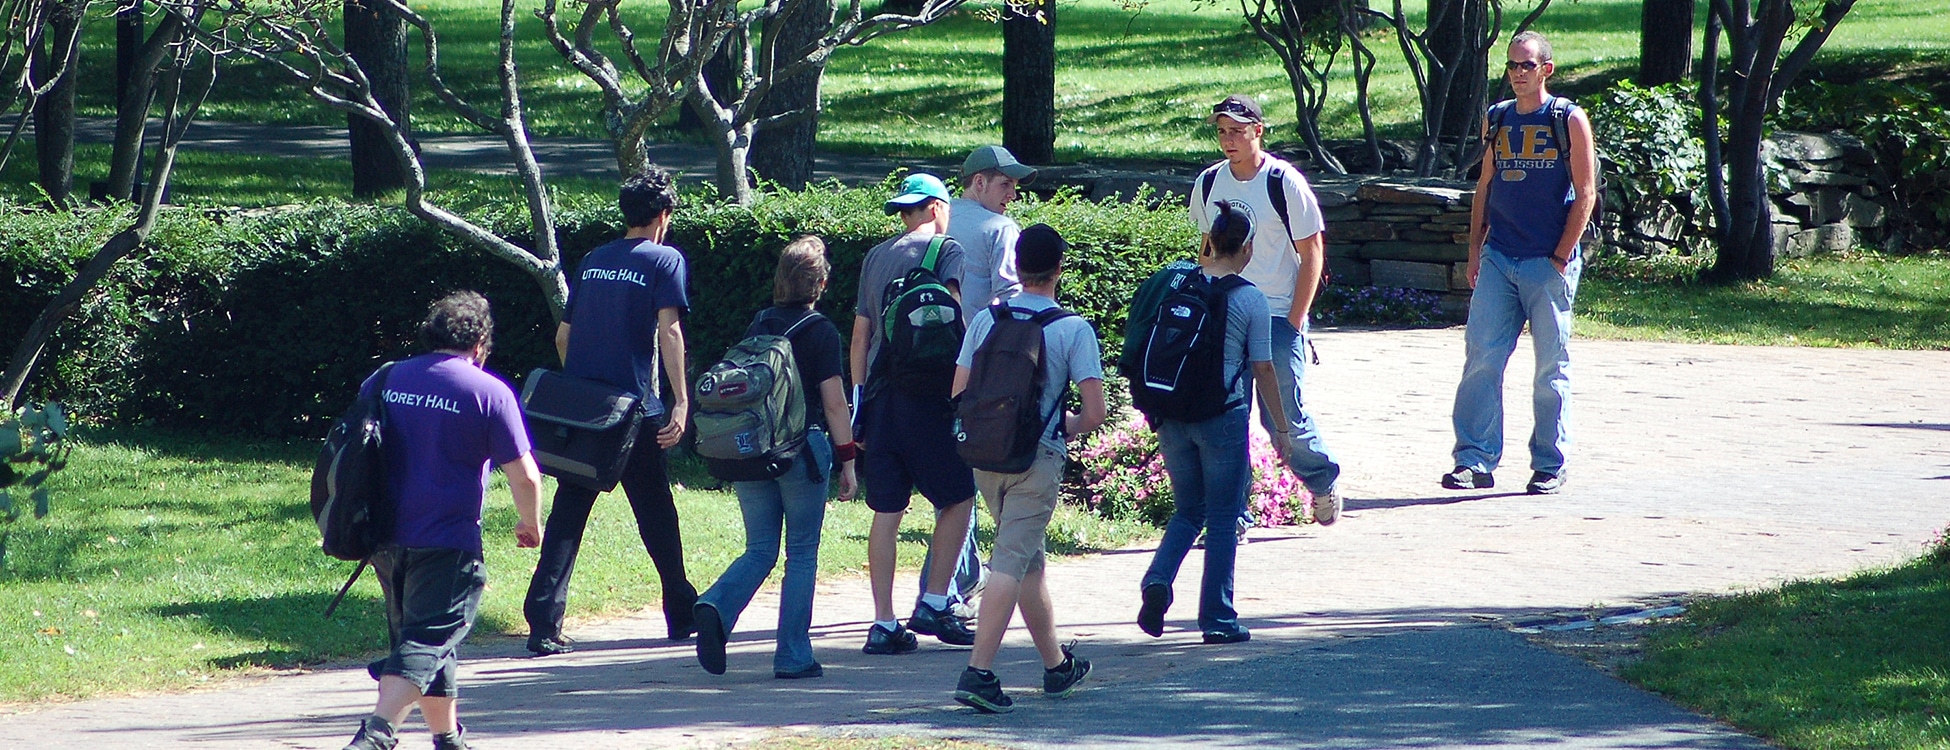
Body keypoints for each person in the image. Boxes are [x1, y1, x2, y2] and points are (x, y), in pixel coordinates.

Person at [340, 292, 544, 750]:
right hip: (447, 540)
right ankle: (376, 734)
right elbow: (526, 476)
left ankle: (447, 738)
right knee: (427, 641)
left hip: (384, 537)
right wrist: (530, 524)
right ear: (480, 345)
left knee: (427, 642)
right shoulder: (488, 391)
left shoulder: (385, 378)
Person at [523, 168, 699, 656]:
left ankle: (542, 621)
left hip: (589, 413)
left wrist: (581, 387)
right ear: (664, 215)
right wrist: (682, 402)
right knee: (656, 513)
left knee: (568, 513)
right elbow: (670, 332)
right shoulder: (666, 260)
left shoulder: (594, 259)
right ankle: (681, 613)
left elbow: (564, 336)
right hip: (636, 410)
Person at [949, 223, 1106, 714]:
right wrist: (1065, 427)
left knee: (1027, 559)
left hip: (985, 458)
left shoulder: (985, 320)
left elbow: (958, 393)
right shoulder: (1072, 328)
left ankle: (1057, 666)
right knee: (1010, 563)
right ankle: (979, 673)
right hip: (1036, 460)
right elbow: (1095, 411)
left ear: (1016, 266)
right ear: (1060, 267)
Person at [693, 236, 858, 680]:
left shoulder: (759, 323)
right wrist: (848, 460)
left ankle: (715, 604)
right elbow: (835, 403)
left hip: (752, 450)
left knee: (760, 548)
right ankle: (792, 655)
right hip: (800, 454)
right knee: (801, 553)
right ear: (820, 282)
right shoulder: (820, 330)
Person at [1443, 30, 1596, 496]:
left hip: (1546, 263)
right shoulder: (1499, 118)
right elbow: (1484, 187)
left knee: (1550, 368)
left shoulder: (1567, 118)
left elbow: (1586, 192)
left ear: (1546, 69)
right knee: (1481, 360)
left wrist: (1559, 257)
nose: (1516, 74)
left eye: (1525, 65)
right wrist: (1475, 251)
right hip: (1499, 258)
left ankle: (1550, 462)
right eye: (1511, 65)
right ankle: (1473, 460)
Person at [1134, 203, 1288, 646]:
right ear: (1248, 248)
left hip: (1171, 414)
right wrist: (1280, 427)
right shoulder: (1249, 297)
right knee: (1222, 515)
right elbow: (1263, 368)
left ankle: (1158, 580)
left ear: (1209, 243)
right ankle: (1217, 618)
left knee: (1188, 509)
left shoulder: (1177, 284)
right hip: (1221, 416)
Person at [1189, 93, 1344, 526]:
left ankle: (1320, 479)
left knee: (1283, 418)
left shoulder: (1283, 181)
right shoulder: (1208, 183)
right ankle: (1232, 516)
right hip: (1226, 315)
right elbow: (1206, 250)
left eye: (1237, 131)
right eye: (1221, 132)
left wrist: (1295, 321)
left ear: (1258, 131)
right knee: (1226, 420)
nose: (1228, 140)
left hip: (1277, 313)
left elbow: (1312, 253)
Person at [852, 173, 980, 654]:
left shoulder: (876, 256)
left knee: (887, 510)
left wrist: (859, 401)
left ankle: (883, 624)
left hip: (882, 396)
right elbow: (951, 318)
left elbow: (860, 335)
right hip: (927, 397)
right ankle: (933, 600)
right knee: (958, 497)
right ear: (937, 209)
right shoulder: (947, 250)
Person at [921, 145, 1038, 615]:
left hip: (925, 359)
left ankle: (962, 578)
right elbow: (1009, 301)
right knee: (963, 478)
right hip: (977, 366)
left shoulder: (937, 223)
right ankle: (946, 591)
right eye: (1005, 182)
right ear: (978, 183)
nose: (1012, 192)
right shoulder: (1001, 229)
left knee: (951, 475)